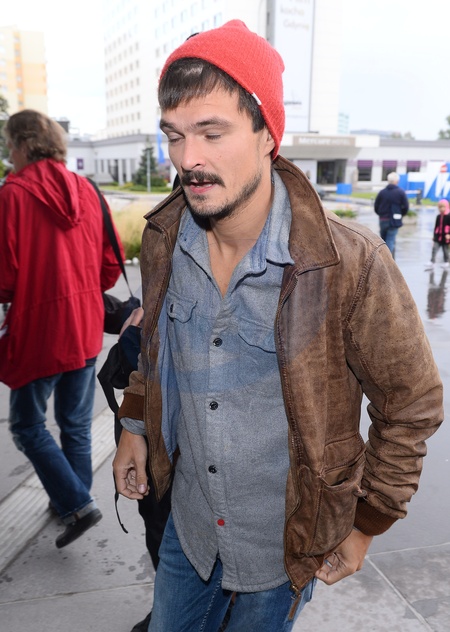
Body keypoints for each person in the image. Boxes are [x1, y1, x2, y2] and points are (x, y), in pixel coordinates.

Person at [113, 21, 443, 631]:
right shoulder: (163, 239)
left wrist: (368, 521)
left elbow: (412, 404)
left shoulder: (349, 264)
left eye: (212, 133)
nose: (188, 159)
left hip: (283, 549)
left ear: (267, 133)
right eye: (175, 136)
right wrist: (135, 425)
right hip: (188, 530)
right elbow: (156, 348)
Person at [0, 109, 123, 548]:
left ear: (22, 145)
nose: (9, 155)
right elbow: (110, 266)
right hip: (85, 325)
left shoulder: (13, 194)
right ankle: (70, 500)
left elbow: (5, 278)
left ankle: (77, 503)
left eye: (9, 146)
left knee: (26, 425)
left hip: (38, 330)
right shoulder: (86, 189)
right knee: (75, 425)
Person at [374, 171, 409, 257]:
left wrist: (381, 214)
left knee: (383, 241)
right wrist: (401, 214)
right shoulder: (400, 192)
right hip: (394, 220)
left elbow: (376, 205)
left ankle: (384, 258)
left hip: (383, 219)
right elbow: (406, 206)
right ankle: (387, 259)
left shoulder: (382, 192)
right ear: (397, 181)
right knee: (390, 240)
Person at [424, 198, 450, 269]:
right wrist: (434, 236)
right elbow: (436, 227)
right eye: (440, 207)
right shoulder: (438, 216)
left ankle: (446, 262)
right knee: (434, 249)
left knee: (445, 250)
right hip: (438, 237)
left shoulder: (448, 216)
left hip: (445, 237)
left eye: (443, 207)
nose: (442, 209)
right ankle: (432, 261)